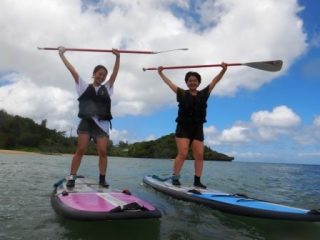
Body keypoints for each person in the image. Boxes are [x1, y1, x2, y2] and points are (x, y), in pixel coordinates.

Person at [58, 46, 120, 188]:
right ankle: (72, 176)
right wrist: (62, 55)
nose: (102, 77)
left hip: (102, 125)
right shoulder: (83, 86)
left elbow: (115, 74)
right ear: (94, 74)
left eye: (104, 75)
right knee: (80, 150)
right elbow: (72, 70)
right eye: (99, 74)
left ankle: (102, 179)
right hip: (86, 123)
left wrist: (117, 57)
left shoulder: (108, 88)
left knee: (103, 152)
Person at [157, 63, 227, 189]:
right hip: (183, 127)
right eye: (190, 81)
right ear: (187, 82)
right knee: (183, 153)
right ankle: (175, 177)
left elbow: (215, 81)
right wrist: (161, 73)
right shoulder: (182, 93)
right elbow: (169, 83)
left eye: (195, 80)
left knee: (199, 155)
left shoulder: (204, 94)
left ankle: (197, 181)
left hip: (198, 128)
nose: (192, 82)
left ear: (199, 82)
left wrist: (224, 70)